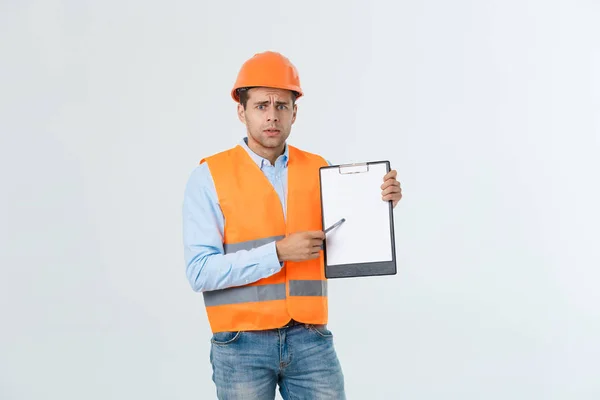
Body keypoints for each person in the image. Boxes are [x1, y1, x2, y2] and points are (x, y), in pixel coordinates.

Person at [182, 51, 403, 400]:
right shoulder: (208, 177)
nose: (272, 116)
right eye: (261, 106)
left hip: (310, 338)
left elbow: (346, 237)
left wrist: (380, 204)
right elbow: (200, 272)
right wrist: (278, 253)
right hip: (240, 344)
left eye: (282, 106)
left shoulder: (319, 169)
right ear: (242, 111)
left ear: (294, 112)